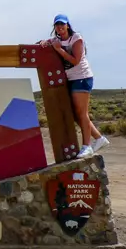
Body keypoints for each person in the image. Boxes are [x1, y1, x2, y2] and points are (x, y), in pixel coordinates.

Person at [38, 14, 109, 158]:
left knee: (82, 113)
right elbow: (48, 42)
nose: (60, 27)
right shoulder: (56, 40)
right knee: (76, 114)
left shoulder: (76, 39)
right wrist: (44, 42)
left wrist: (59, 50)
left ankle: (87, 146)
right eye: (57, 25)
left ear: (68, 25)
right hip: (71, 79)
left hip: (82, 77)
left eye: (62, 25)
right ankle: (100, 139)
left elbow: (76, 61)